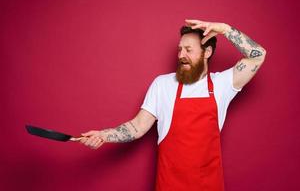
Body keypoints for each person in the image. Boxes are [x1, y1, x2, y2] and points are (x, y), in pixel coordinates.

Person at [76, 19, 266, 191]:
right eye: (180, 49)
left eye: (189, 50)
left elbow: (257, 55)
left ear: (207, 52)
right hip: (169, 185)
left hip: (209, 186)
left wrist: (224, 29)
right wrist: (103, 135)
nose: (181, 55)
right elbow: (138, 127)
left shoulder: (221, 85)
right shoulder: (163, 84)